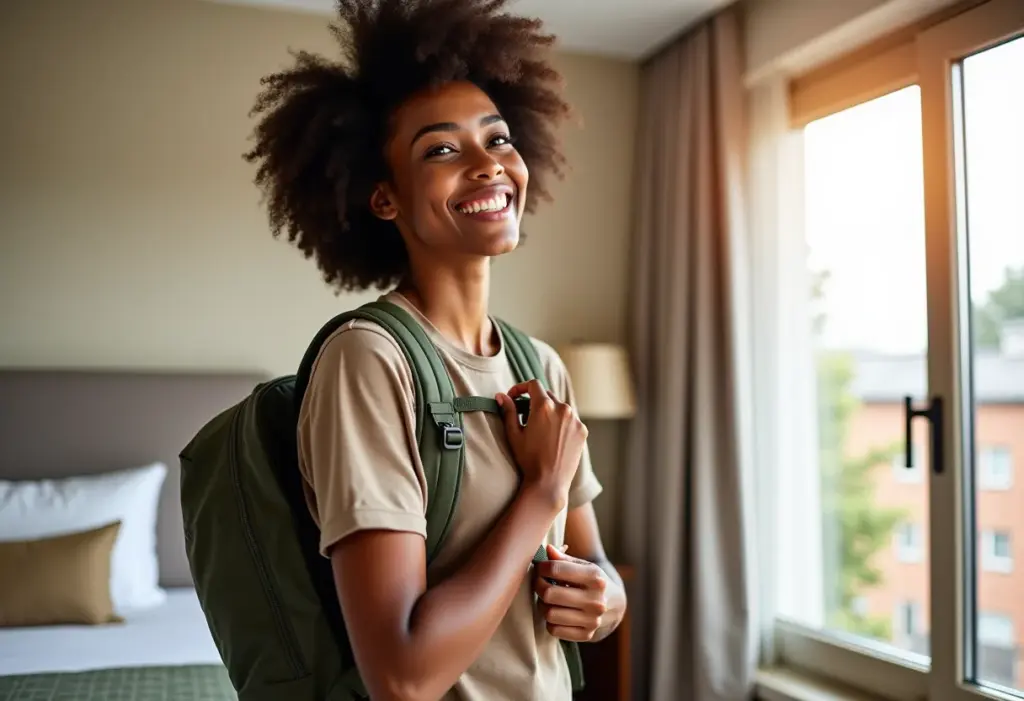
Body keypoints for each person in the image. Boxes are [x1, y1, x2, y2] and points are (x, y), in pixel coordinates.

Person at [243, 1, 627, 699]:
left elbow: (595, 565)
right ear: (384, 198)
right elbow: (402, 673)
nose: (490, 165)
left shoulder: (540, 364)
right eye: (442, 149)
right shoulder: (369, 360)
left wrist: (606, 600)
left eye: (499, 139)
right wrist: (540, 492)